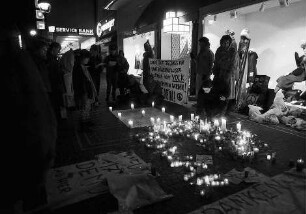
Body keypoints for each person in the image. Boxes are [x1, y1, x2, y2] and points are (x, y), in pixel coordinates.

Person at [1, 25, 57, 213]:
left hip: (29, 145)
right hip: (25, 147)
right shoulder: (19, 65)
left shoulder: (24, 63)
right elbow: (36, 107)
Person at [73, 49, 97, 131]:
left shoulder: (81, 66)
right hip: (83, 91)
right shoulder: (78, 68)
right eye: (87, 58)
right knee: (84, 107)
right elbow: (80, 82)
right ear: (82, 58)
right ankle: (83, 125)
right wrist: (84, 92)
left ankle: (86, 121)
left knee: (87, 106)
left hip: (85, 90)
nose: (88, 59)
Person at [212, 35, 236, 115]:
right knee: (217, 91)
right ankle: (216, 108)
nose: (225, 44)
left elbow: (232, 64)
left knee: (226, 92)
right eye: (224, 43)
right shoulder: (219, 50)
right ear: (221, 43)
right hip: (218, 73)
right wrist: (215, 70)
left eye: (227, 43)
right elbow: (216, 61)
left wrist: (227, 73)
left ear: (229, 43)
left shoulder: (232, 51)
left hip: (227, 74)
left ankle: (224, 110)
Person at [47, 42, 65, 121]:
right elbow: (53, 73)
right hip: (54, 86)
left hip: (54, 86)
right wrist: (61, 71)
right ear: (54, 48)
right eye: (58, 49)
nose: (59, 51)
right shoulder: (50, 59)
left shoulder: (52, 58)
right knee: (56, 104)